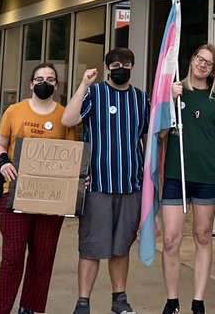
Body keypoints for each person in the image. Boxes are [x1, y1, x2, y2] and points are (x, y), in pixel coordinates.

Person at [62, 48, 150, 314]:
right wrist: (83, 84)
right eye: (114, 64)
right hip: (98, 185)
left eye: (124, 63)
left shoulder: (141, 98)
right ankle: (83, 301)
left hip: (130, 185)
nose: (119, 67)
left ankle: (119, 299)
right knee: (91, 247)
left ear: (132, 66)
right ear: (107, 67)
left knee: (121, 246)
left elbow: (152, 138)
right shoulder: (95, 93)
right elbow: (68, 119)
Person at [0, 62, 75, 314]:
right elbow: (0, 144)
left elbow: (69, 157)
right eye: (39, 79)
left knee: (43, 259)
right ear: (31, 84)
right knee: (12, 256)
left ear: (57, 85)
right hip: (15, 194)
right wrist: (3, 162)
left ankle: (30, 308)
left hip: (50, 200)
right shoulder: (14, 111)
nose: (44, 83)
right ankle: (2, 309)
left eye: (50, 79)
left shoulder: (64, 116)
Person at [159, 44, 215, 314]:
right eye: (199, 58)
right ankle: (172, 300)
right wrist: (169, 99)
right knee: (171, 240)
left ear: (214, 70)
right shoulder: (176, 91)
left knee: (202, 236)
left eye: (209, 63)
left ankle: (198, 301)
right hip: (176, 176)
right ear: (191, 60)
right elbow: (161, 133)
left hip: (208, 175)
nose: (202, 64)